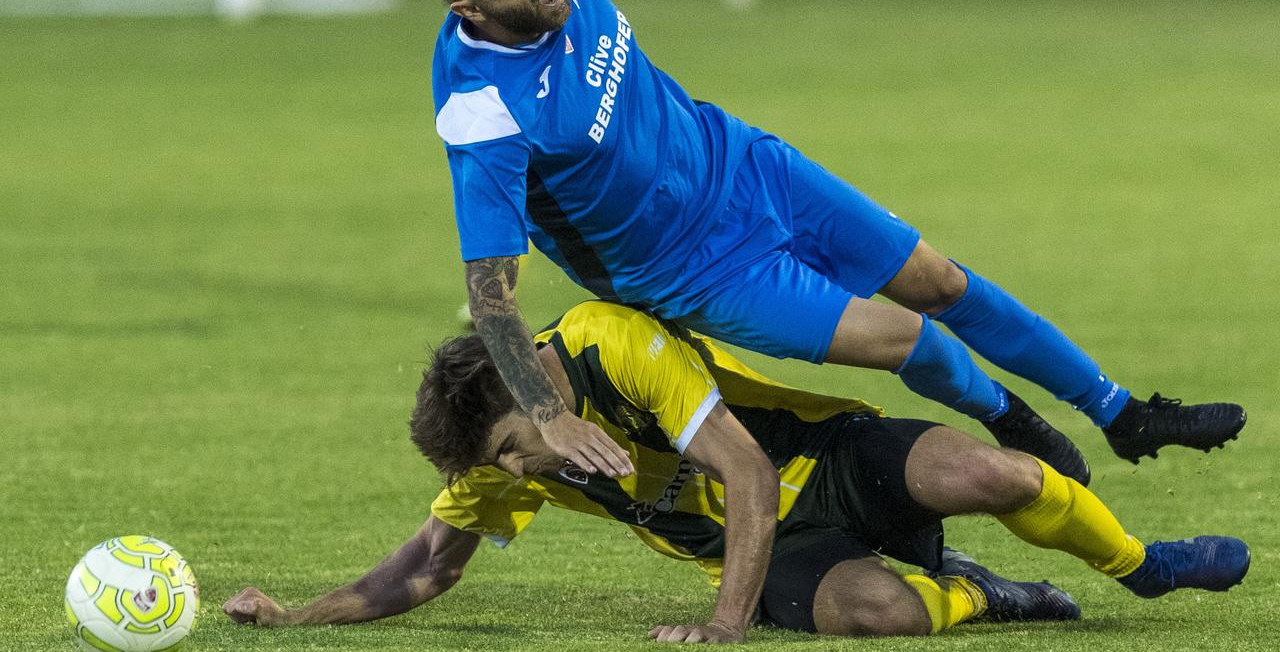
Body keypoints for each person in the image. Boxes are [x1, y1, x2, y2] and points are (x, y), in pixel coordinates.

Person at [417, 0, 1245, 485]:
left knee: (939, 280)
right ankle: (1010, 417)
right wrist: (549, 414)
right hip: (694, 271)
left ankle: (1125, 415)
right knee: (905, 336)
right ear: (471, 10)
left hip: (743, 163)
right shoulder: (484, 114)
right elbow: (490, 295)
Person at [223, 301, 1249, 642]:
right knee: (878, 615)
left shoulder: (604, 343)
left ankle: (1142, 564)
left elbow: (746, 473)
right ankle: (986, 591)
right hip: (791, 552)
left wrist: (724, 624)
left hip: (830, 458)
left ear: (529, 388)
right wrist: (295, 620)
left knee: (1005, 477)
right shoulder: (514, 459)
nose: (513, 471)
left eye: (506, 448)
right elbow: (425, 567)